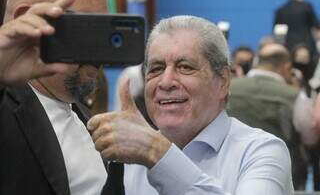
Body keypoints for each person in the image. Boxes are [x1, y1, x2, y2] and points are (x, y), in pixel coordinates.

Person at [88, 15, 293, 195]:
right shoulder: (129, 160)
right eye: (156, 68)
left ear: (222, 81)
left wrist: (158, 154)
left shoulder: (261, 151)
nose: (166, 82)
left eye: (185, 67)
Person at [0, 0, 123, 194]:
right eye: (86, 28)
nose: (99, 48)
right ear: (25, 20)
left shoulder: (87, 118)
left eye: (104, 30)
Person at [227, 43, 307, 189]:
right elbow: (310, 136)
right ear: (286, 67)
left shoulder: (228, 88)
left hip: (228, 172)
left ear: (257, 62)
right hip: (283, 175)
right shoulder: (294, 95)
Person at [274, 0, 320, 74]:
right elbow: (316, 25)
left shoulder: (281, 10)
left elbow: (279, 33)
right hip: (307, 45)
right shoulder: (307, 7)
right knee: (310, 71)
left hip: (289, 45)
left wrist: (281, 47)